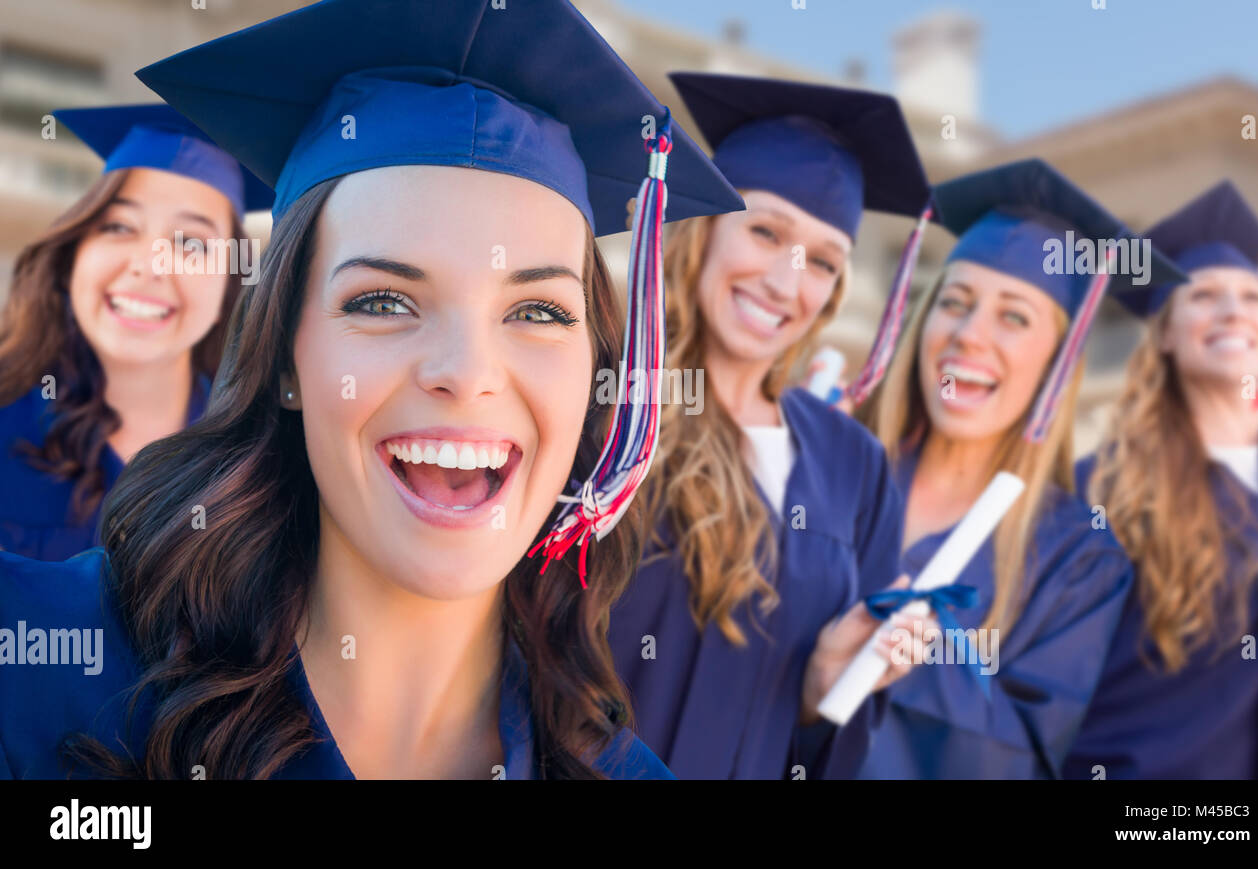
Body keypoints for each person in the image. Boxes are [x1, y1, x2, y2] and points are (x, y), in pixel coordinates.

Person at [0, 0, 743, 780]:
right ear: (284, 355)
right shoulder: (46, 670)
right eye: (383, 301)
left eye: (537, 310)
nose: (468, 371)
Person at [607, 72, 937, 779]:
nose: (788, 284)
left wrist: (824, 690)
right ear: (702, 226)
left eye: (822, 262)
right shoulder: (607, 408)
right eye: (765, 231)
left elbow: (833, 741)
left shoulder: (854, 463)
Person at [853, 158, 1177, 778]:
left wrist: (909, 656)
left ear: (1058, 364)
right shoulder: (834, 476)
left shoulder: (1079, 559)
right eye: (955, 302)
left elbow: (1024, 758)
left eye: (1014, 316)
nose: (970, 335)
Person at [1065, 181, 1258, 779]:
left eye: (1252, 297)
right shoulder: (1102, 494)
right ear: (1165, 334)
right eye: (1205, 296)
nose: (1233, 311)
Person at [0, 104, 271, 560]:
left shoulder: (257, 462)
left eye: (191, 243)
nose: (148, 265)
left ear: (228, 282)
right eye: (119, 226)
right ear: (74, 254)